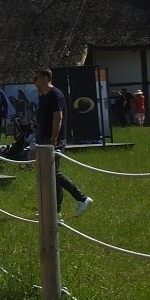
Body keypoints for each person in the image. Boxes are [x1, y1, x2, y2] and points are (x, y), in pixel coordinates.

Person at [33, 67, 92, 217]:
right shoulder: (44, 95)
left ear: (46, 78)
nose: (34, 81)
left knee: (53, 172)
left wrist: (54, 138)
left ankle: (82, 198)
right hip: (44, 137)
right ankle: (56, 210)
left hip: (54, 139)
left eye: (37, 78)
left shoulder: (55, 94)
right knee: (51, 174)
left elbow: (58, 117)